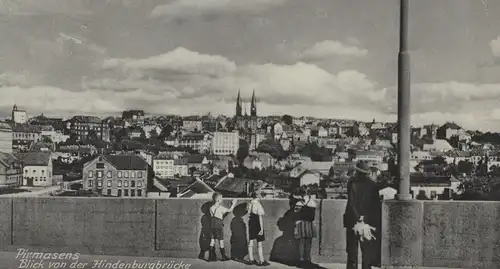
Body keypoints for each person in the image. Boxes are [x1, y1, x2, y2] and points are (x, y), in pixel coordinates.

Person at [343, 161, 382, 269]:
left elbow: (351, 203)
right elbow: (376, 206)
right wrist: (366, 218)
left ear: (357, 171)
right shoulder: (373, 185)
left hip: (352, 220)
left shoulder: (351, 183)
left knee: (352, 251)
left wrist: (358, 217)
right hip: (368, 222)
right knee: (367, 251)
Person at [208, 192, 238, 262]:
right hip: (219, 226)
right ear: (218, 200)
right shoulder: (221, 208)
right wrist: (233, 204)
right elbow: (229, 210)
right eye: (221, 198)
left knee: (212, 240)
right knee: (221, 241)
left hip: (212, 225)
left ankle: (210, 257)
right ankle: (223, 257)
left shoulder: (211, 208)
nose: (222, 200)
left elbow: (213, 216)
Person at [293, 186, 318, 268]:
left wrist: (295, 227)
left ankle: (301, 260)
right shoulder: (313, 203)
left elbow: (296, 216)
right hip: (310, 224)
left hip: (300, 224)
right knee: (308, 243)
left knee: (301, 243)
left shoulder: (298, 203)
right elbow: (313, 216)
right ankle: (308, 259)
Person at [246, 191, 270, 266]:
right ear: (258, 197)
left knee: (251, 242)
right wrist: (262, 229)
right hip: (257, 224)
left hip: (251, 222)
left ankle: (251, 259)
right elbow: (260, 217)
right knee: (259, 243)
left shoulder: (249, 203)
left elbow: (248, 212)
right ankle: (261, 261)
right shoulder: (258, 205)